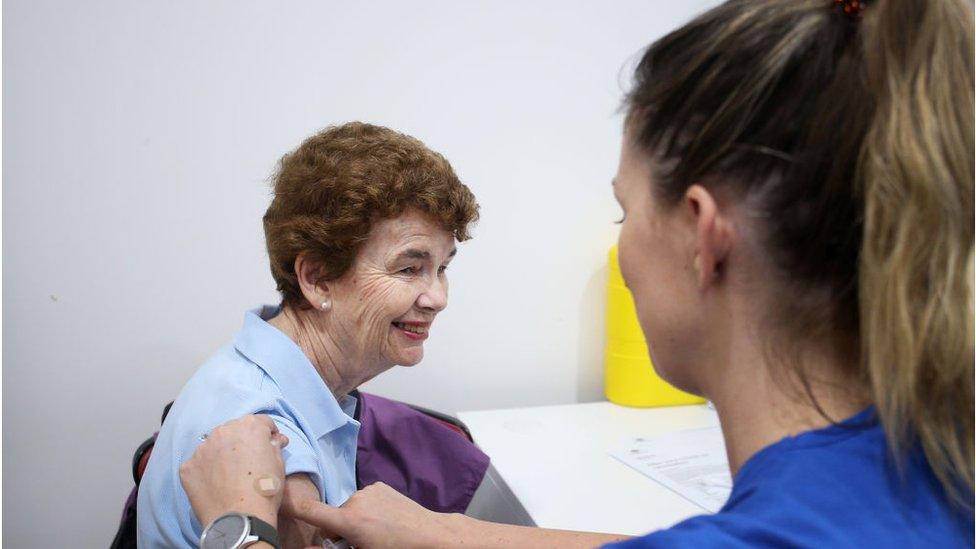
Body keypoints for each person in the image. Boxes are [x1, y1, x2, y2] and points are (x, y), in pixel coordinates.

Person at [181, 0, 975, 546]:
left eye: (625, 212)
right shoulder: (939, 461)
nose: (437, 294)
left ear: (702, 237)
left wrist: (236, 532)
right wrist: (446, 531)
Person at [136, 122, 479, 548]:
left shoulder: (265, 368)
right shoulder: (271, 445)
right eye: (409, 269)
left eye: (441, 268)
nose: (437, 297)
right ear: (317, 279)